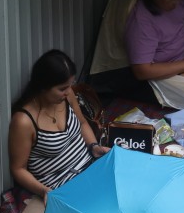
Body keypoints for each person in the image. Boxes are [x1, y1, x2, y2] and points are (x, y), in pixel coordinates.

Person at [8, 50, 109, 198]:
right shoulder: (24, 121)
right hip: (63, 187)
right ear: (43, 87)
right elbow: (18, 169)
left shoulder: (67, 98)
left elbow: (82, 123)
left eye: (70, 85)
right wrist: (44, 191)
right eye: (62, 88)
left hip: (91, 168)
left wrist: (94, 146)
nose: (68, 92)